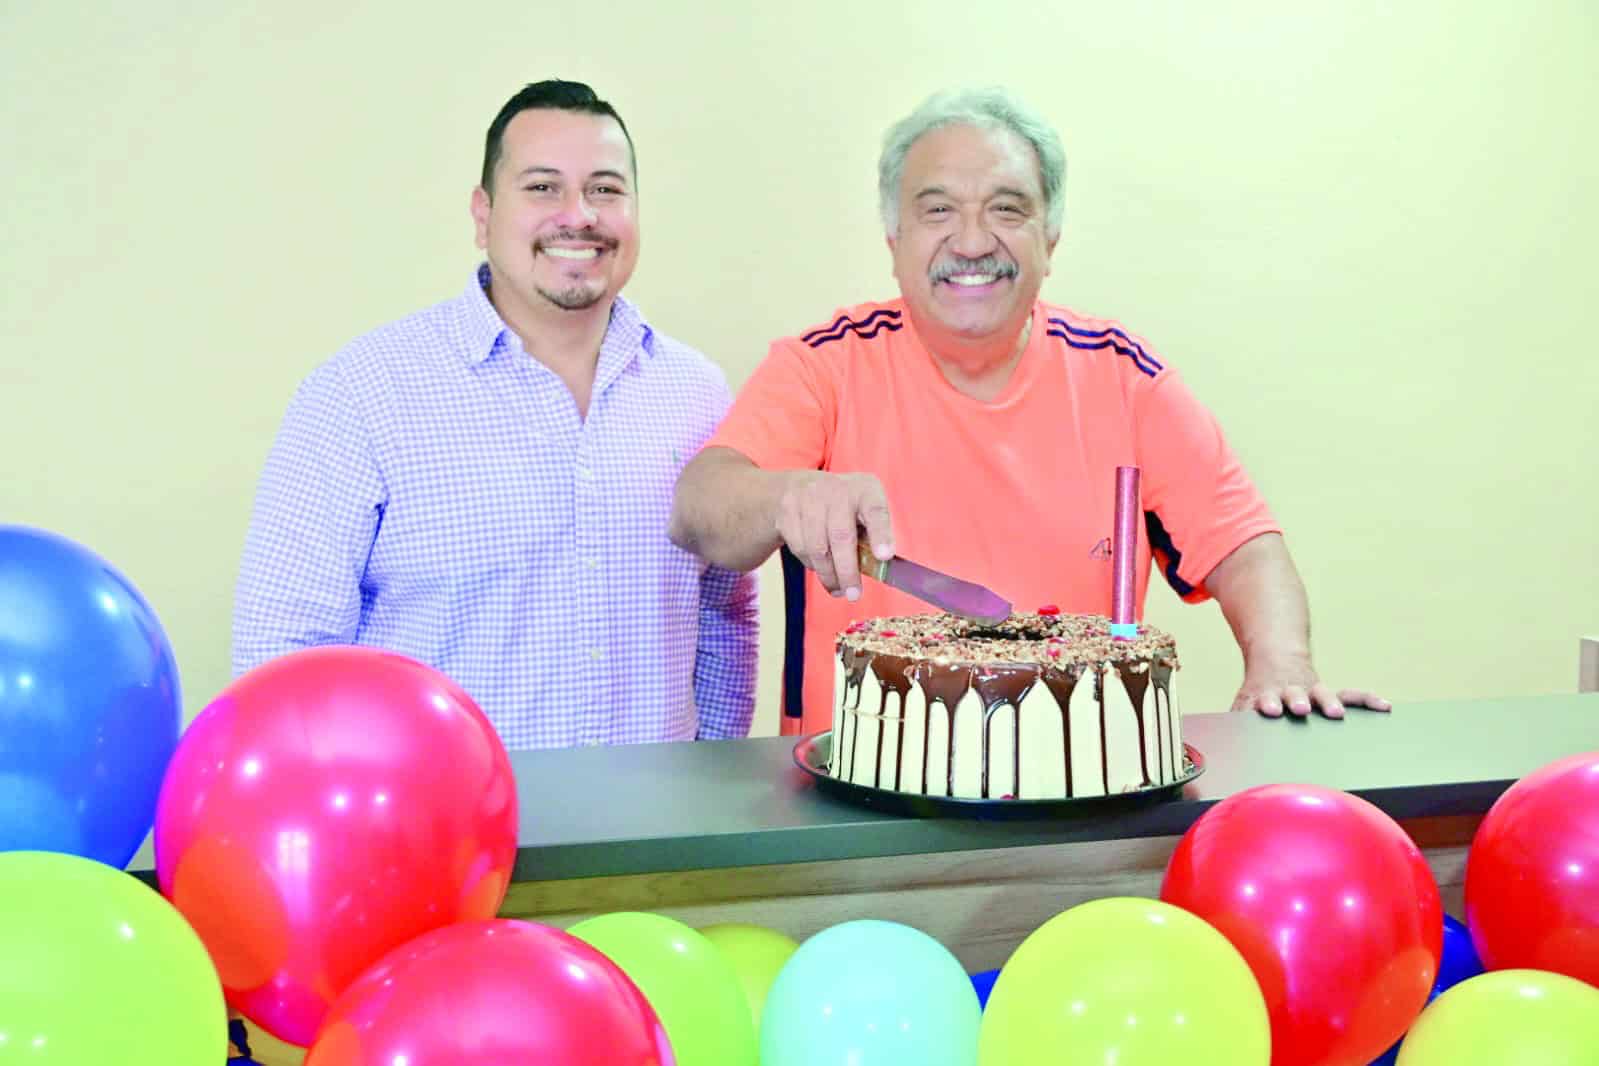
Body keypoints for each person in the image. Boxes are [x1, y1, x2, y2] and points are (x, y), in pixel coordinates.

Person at [669, 86, 1386, 735]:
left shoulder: (1123, 377)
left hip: (1087, 806)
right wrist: (787, 493)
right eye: (938, 209)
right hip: (851, 815)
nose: (973, 241)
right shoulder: (823, 364)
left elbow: (1243, 548)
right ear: (894, 239)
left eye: (1007, 209)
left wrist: (1281, 664)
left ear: (1050, 237)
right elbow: (702, 510)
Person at [234, 80, 757, 749]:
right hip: (432, 840)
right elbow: (286, 654)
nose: (578, 215)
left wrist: (703, 804)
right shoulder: (362, 393)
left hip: (654, 841)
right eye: (542, 187)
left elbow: (724, 617)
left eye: (605, 188)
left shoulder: (696, 392)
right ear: (482, 215)